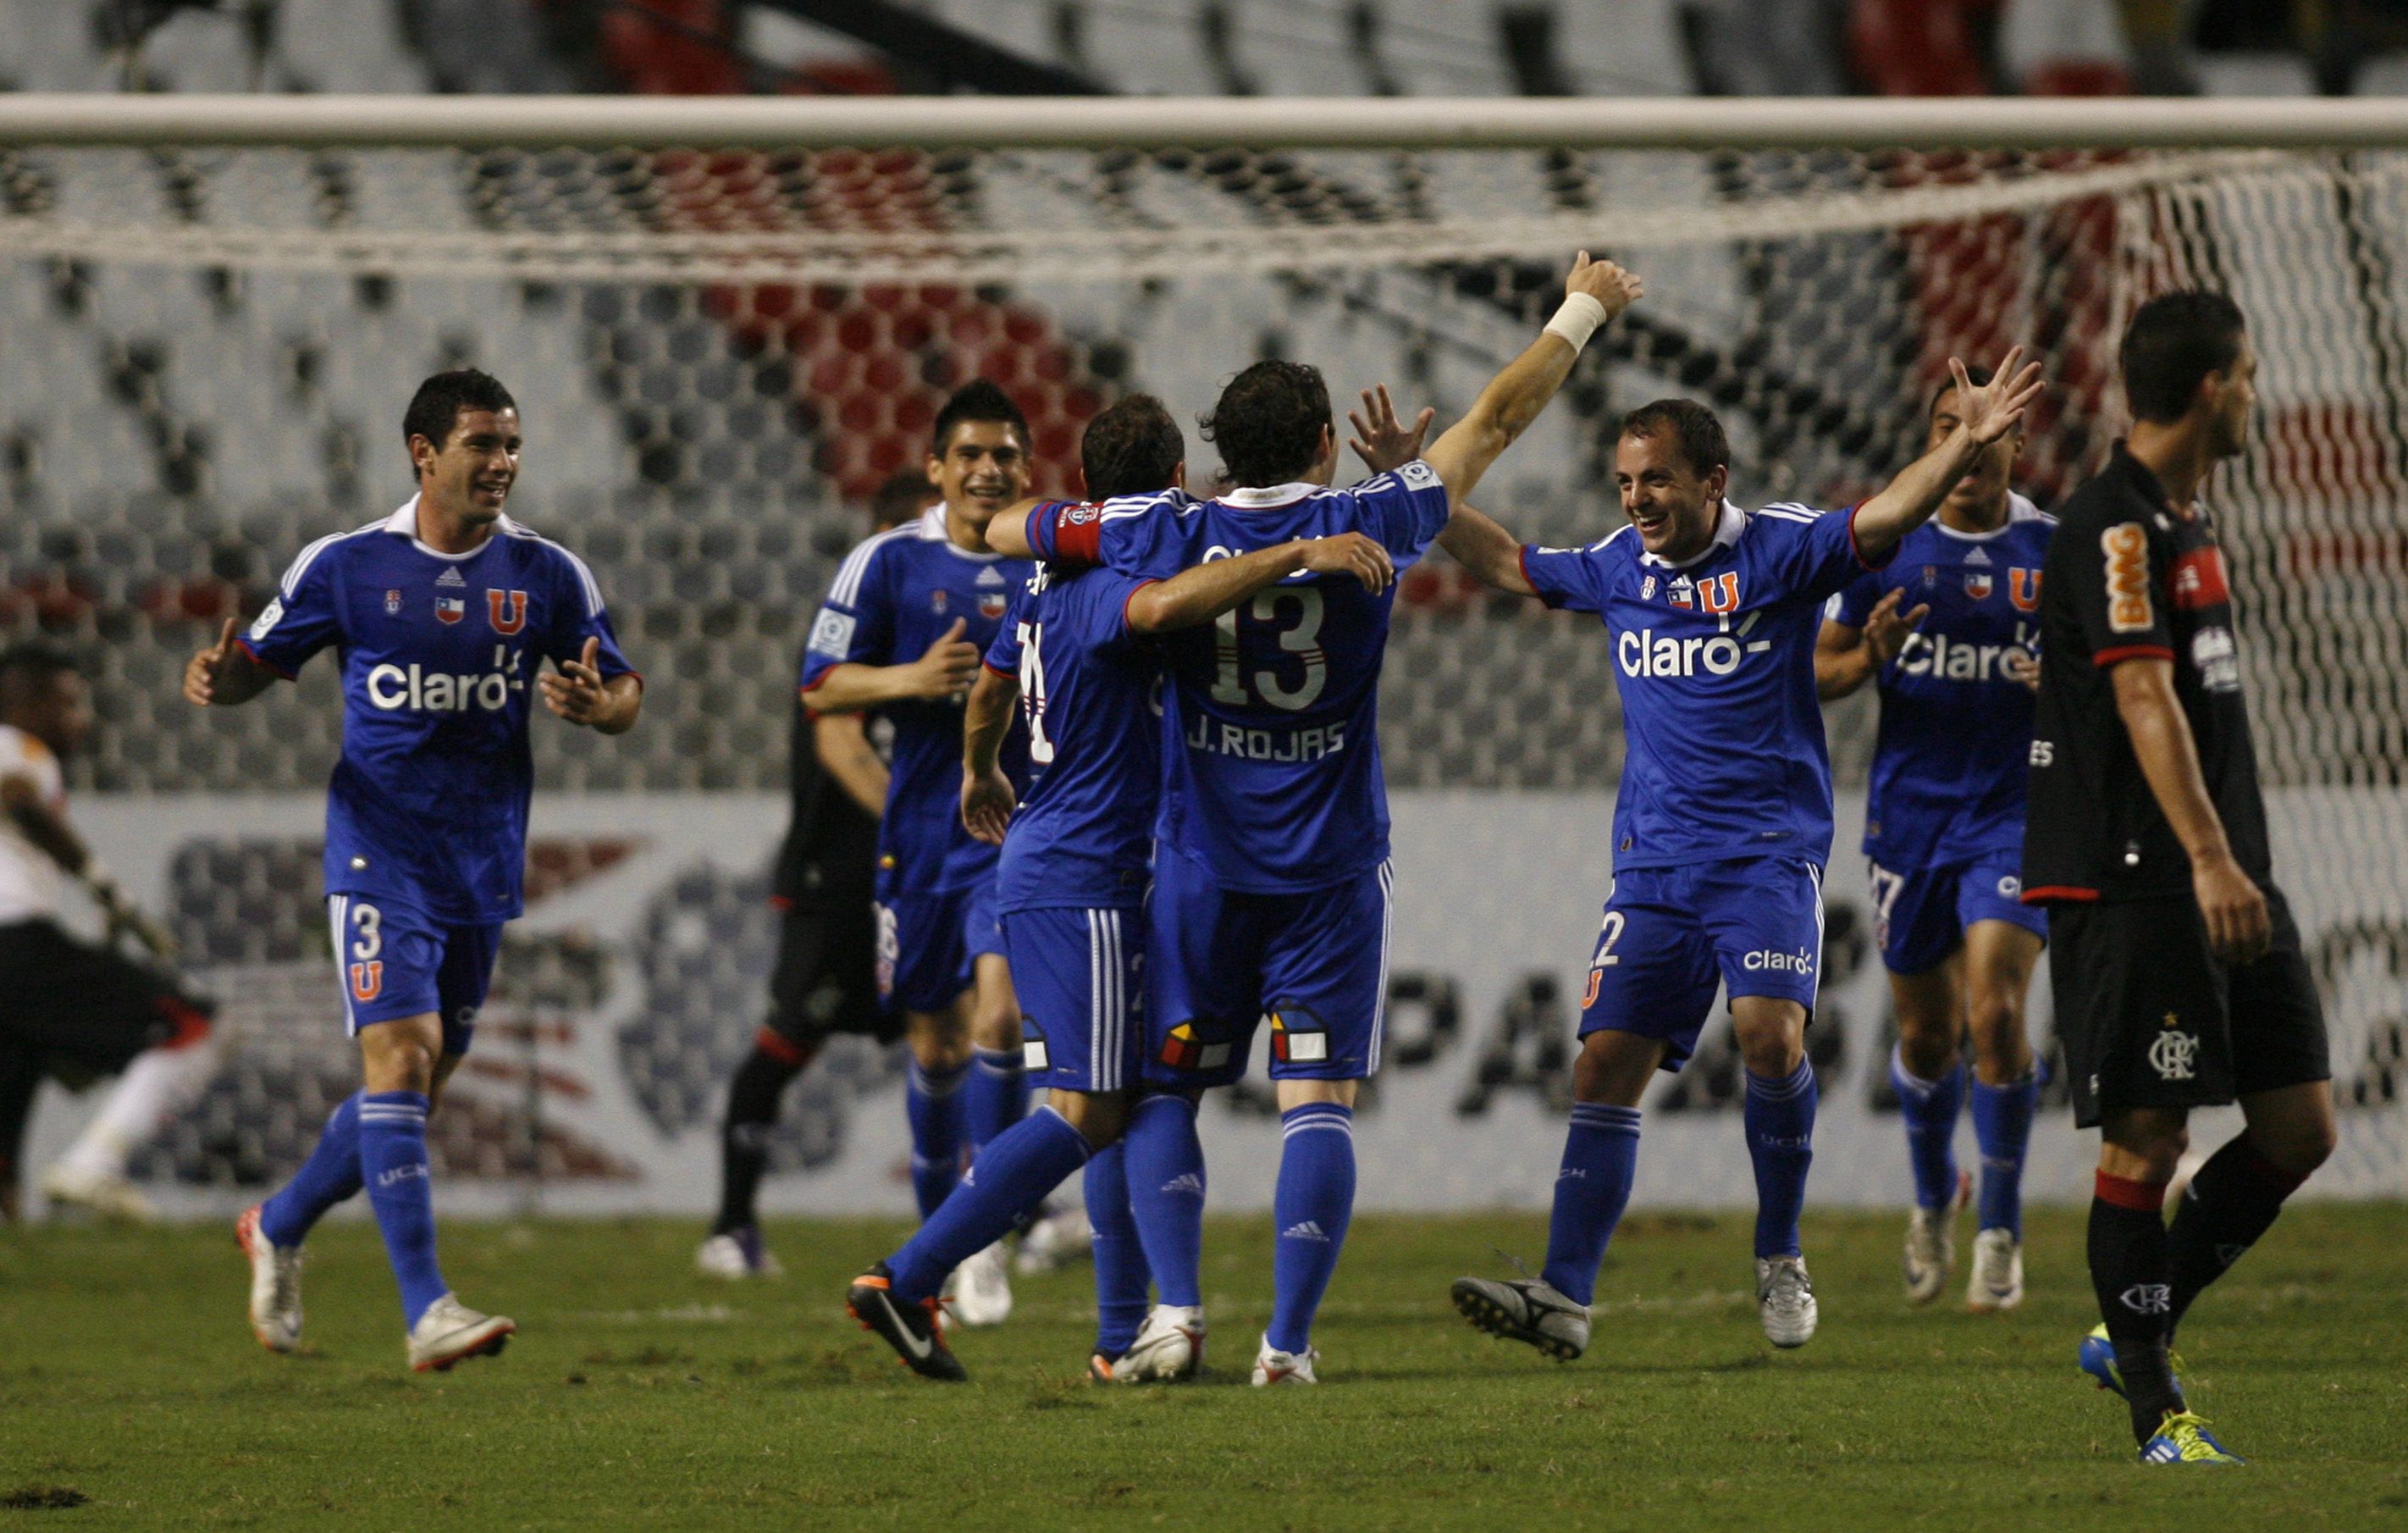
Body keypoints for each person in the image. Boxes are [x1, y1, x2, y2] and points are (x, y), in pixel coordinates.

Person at [991, 254, 1645, 1385]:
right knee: (1316, 1100)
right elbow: (1497, 415)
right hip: (1333, 867)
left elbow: (1020, 535)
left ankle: (1178, 1312)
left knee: (1167, 1086)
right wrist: (1582, 307)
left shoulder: (1168, 534)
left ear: (1218, 454)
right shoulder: (1372, 518)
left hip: (1198, 865)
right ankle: (1286, 1344)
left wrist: (1049, 523)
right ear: (1323, 448)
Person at [1440, 350, 2043, 1359]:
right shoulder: (1619, 565)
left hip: (1766, 853)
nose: (1637, 499)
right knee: (1602, 1066)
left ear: (1712, 480)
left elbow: (1887, 518)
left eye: (1657, 480)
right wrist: (1422, 491)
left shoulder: (1784, 549)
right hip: (1655, 866)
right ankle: (1564, 1294)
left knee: (1770, 1037)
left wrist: (1965, 445)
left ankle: (1779, 1252)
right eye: (1627, 482)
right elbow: (1507, 562)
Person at [845, 395, 1399, 1382]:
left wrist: (981, 770)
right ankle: (910, 1273)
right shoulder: (1108, 584)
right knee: (1086, 1109)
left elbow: (988, 688)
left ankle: (1123, 1333)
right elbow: (1154, 609)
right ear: (1173, 481)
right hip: (1090, 874)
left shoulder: (1043, 576)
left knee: (1130, 1091)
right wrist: (1295, 553)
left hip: (1061, 863)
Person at [187, 368, 641, 1371]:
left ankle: (278, 1221)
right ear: (423, 452)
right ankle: (427, 1305)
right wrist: (222, 684)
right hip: (375, 847)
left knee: (417, 1087)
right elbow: (254, 666)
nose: (503, 463)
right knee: (398, 1062)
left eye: (512, 445)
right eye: (483, 443)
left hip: (479, 862)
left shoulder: (547, 573)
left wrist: (595, 706)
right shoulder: (345, 566)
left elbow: (623, 690)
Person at [2023, 292, 2333, 1466]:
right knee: (2147, 1138)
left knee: (2299, 1126)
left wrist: (2231, 858)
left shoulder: (2184, 516)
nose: (2258, 392)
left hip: (2221, 869)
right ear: (2212, 388)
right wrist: (2206, 857)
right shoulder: (2113, 526)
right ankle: (2160, 1414)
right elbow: (2143, 694)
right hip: (2140, 874)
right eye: (2249, 373)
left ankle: (2132, 1329)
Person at [799, 381, 1037, 1326]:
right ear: (937, 468)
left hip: (1019, 833)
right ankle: (936, 1246)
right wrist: (912, 676)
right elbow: (820, 687)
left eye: (1006, 455)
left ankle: (985, 1243)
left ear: (1027, 467)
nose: (988, 470)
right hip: (922, 837)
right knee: (935, 1044)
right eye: (970, 455)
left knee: (1003, 1020)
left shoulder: (1047, 556)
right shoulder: (885, 562)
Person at [1814, 368, 2053, 1310]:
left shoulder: (2055, 546)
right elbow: (1820, 673)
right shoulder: (1887, 540)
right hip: (1909, 820)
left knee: (1995, 1014)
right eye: (1951, 425)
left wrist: (2063, 692)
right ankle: (1932, 1199)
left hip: (2014, 817)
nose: (1970, 444)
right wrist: (1869, 651)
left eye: (1987, 429)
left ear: (2017, 443)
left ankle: (2001, 1226)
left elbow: (2113, 683)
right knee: (1925, 1036)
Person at [697, 470, 928, 1280]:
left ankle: (1009, 1221)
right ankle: (730, 1226)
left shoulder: (947, 624)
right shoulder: (852, 631)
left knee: (964, 1037)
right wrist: (922, 827)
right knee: (787, 1042)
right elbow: (841, 741)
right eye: (910, 533)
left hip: (914, 880)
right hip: (838, 882)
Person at [0, 642, 216, 1223]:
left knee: (12, 1081)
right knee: (192, 1023)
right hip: (12, 942)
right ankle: (92, 1167)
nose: (81, 718)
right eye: (68, 703)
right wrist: (104, 888)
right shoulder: (19, 747)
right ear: (23, 700)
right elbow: (19, 799)